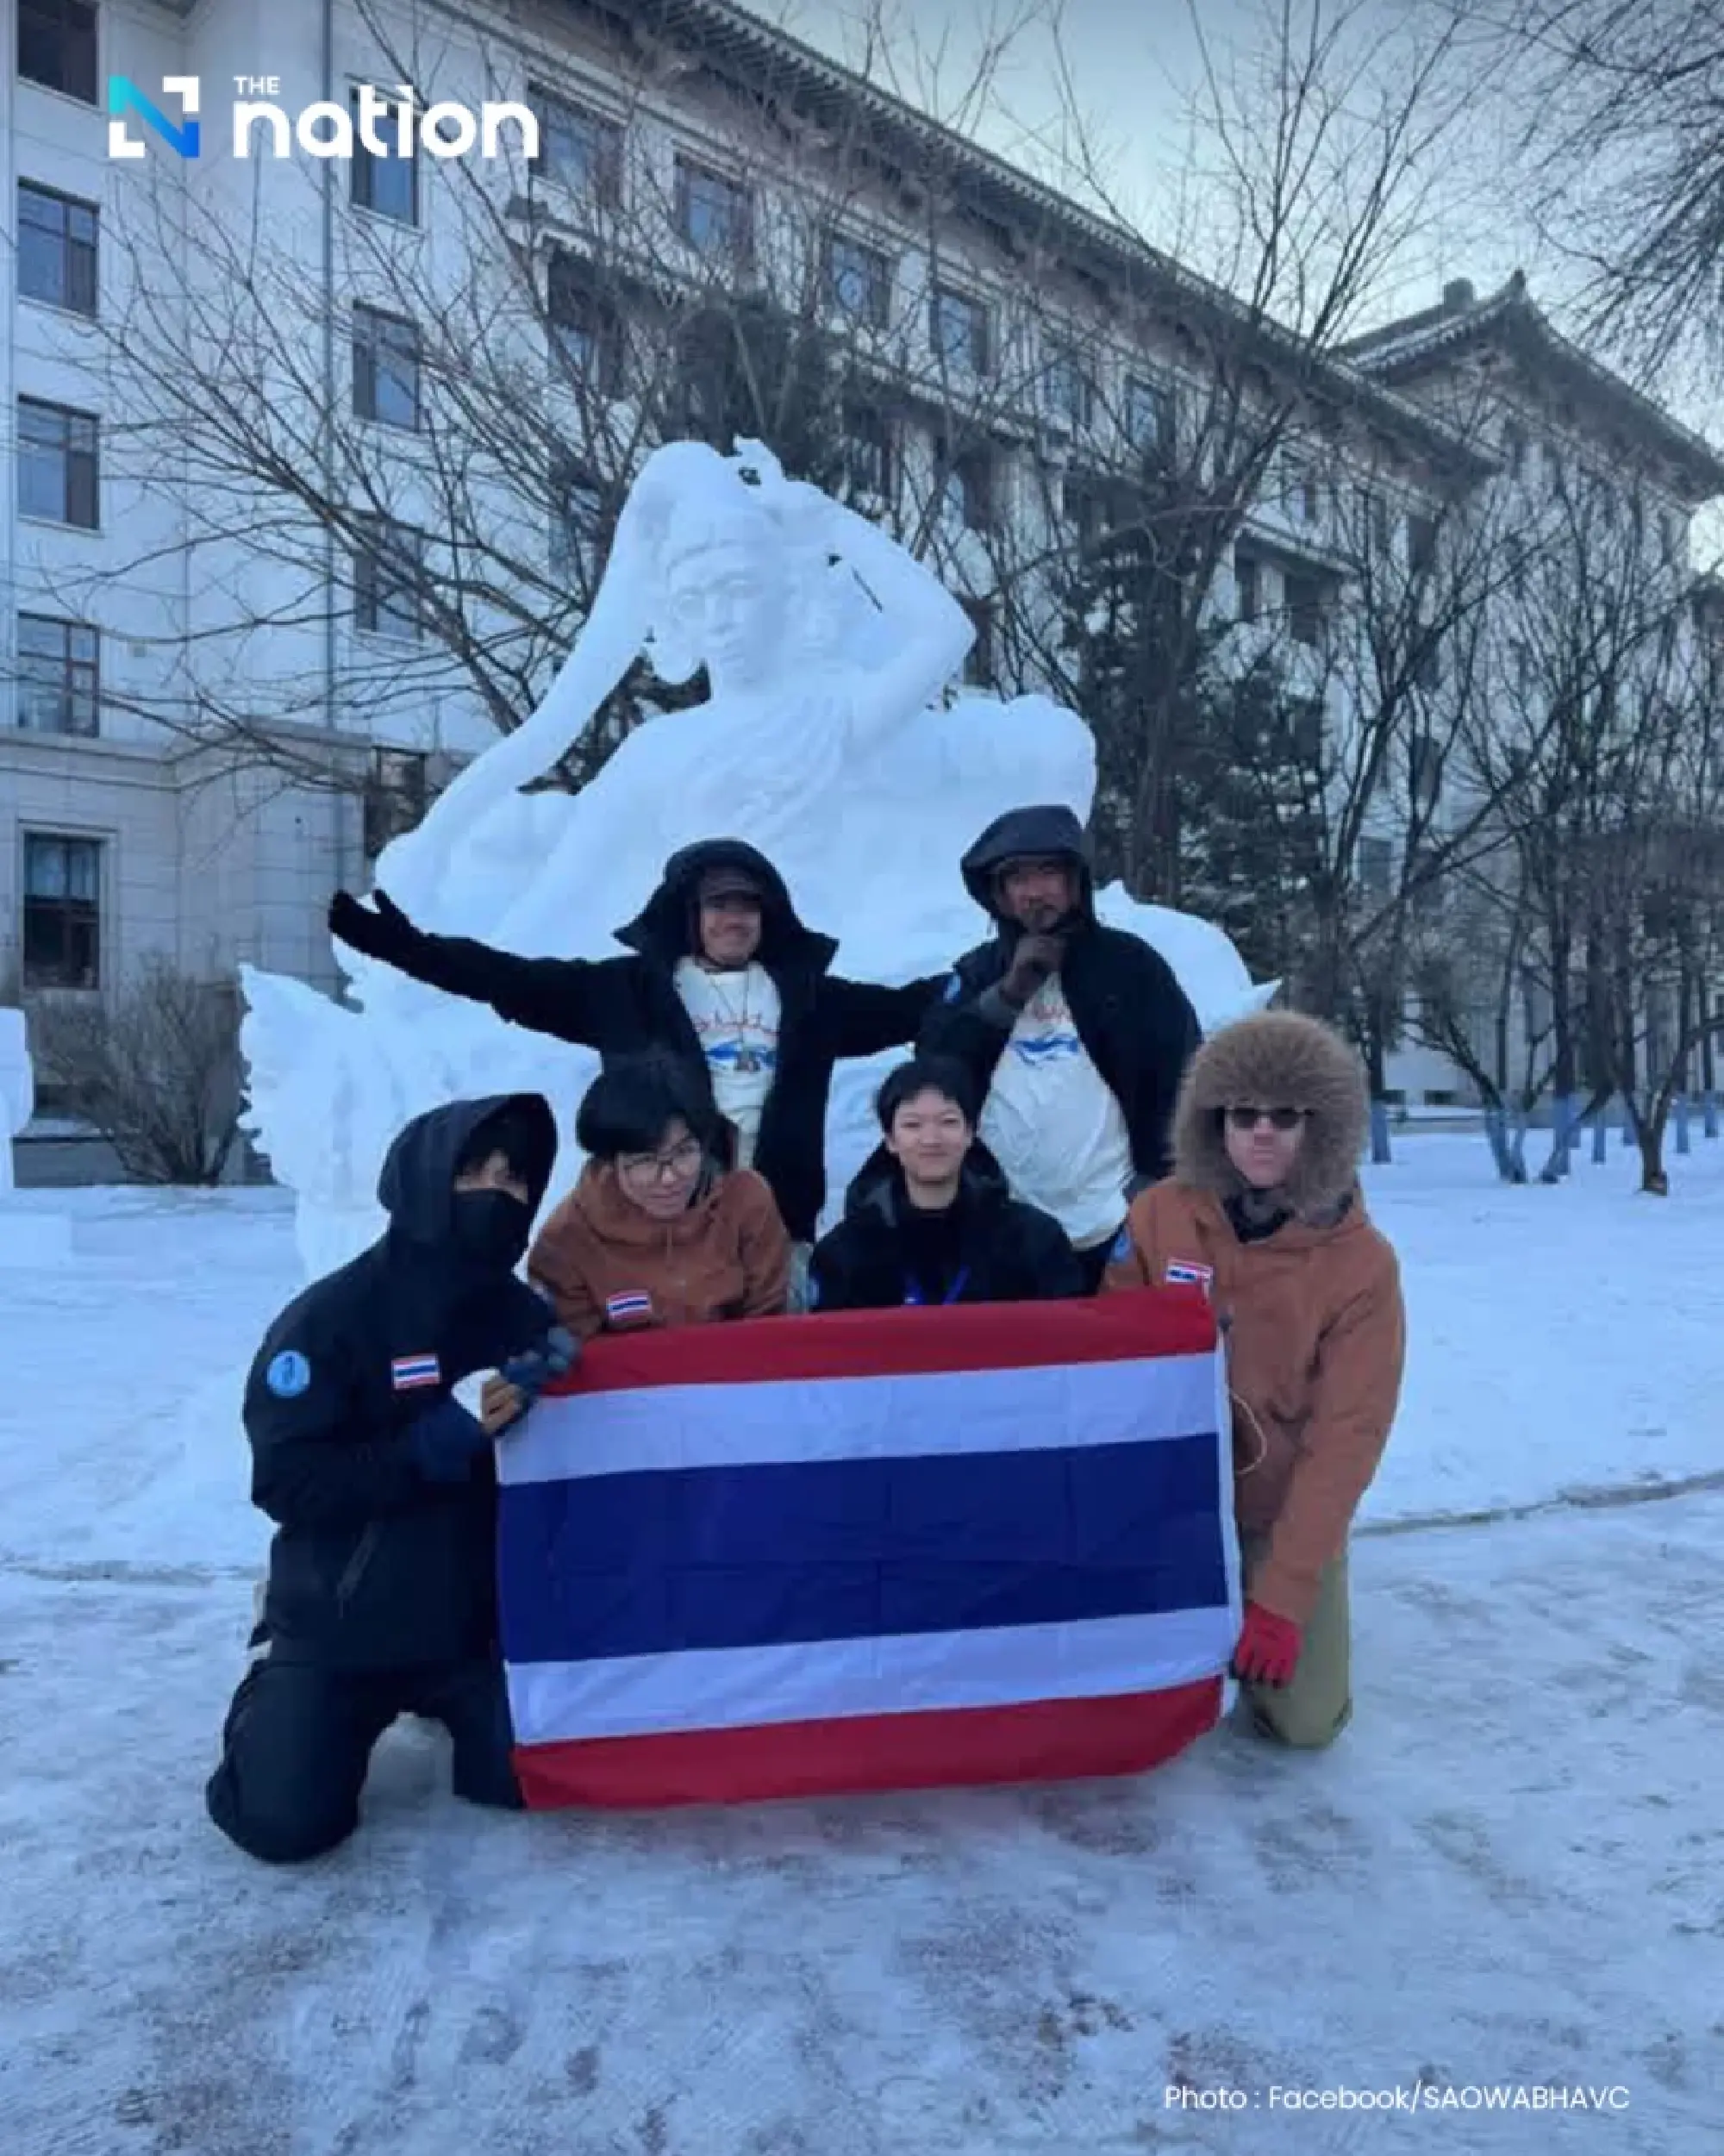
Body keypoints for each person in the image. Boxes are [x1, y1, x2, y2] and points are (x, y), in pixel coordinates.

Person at [206, 1094, 572, 1865]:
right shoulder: (331, 1319)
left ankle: (462, 1707)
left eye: (514, 1179)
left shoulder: (519, 1316)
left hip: (472, 1633)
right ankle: (268, 1694)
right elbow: (287, 1482)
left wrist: (579, 1395)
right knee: (284, 1826)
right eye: (474, 1170)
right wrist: (430, 1444)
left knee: (538, 1782)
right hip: (345, 1624)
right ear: (423, 1176)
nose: (494, 1193)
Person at [329, 839, 946, 1260]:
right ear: (688, 914)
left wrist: (998, 969)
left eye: (748, 904)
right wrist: (410, 951)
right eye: (719, 904)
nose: (735, 917)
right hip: (660, 1231)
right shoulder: (624, 992)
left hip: (779, 1234)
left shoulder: (812, 999)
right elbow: (507, 978)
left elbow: (917, 1006)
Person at [1104, 1010, 1405, 1749]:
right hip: (1170, 1503)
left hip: (1274, 1506)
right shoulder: (1157, 1215)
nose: (1262, 1131)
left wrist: (1287, 1591)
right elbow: (1108, 1357)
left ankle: (1281, 1591)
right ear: (1216, 1123)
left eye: (1285, 1115)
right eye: (1243, 1114)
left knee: (1304, 1723)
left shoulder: (1361, 1265)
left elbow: (1347, 1438)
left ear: (1321, 1128)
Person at [921, 804, 1201, 1291]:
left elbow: (1186, 1075)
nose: (1035, 892)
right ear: (999, 895)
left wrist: (1157, 1185)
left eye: (1049, 873)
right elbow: (933, 1076)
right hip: (1005, 1225)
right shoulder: (976, 975)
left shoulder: (1131, 967)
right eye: (1018, 879)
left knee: (1121, 1361)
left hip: (1118, 1221)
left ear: (1076, 880)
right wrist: (1008, 995)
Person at [509, 1053, 790, 1354]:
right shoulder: (565, 1242)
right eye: (645, 1161)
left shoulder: (747, 1200)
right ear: (610, 1162)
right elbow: (579, 1364)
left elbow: (769, 1318)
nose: (669, 1177)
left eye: (684, 1152)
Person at [806, 1055, 1084, 1309]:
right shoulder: (845, 1252)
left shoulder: (1034, 1239)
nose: (931, 1140)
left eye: (948, 1122)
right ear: (890, 1140)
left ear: (970, 1133)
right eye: (912, 1125)